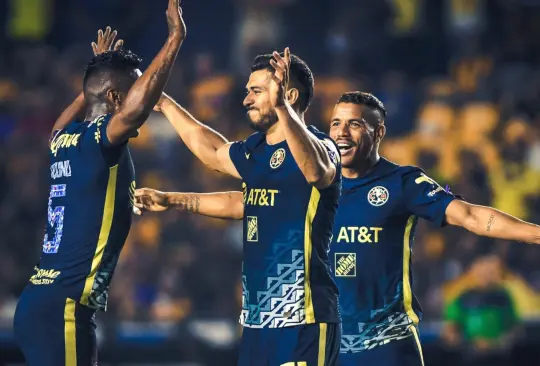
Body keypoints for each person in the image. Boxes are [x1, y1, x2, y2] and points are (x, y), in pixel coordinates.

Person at [136, 91, 540, 366]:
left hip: (386, 346)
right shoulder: (309, 177)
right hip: (326, 344)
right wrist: (174, 199)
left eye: (355, 124)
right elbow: (242, 202)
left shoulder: (400, 183)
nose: (342, 132)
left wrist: (536, 233)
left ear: (378, 132)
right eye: (335, 123)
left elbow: (471, 216)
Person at [137, 49, 342, 365]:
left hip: (304, 316)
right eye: (248, 91)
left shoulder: (322, 147)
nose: (246, 99)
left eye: (256, 91)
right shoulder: (256, 151)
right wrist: (162, 103)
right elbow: (218, 161)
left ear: (288, 94)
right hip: (257, 319)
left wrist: (281, 108)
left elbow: (315, 172)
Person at [13, 1, 186, 365]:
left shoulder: (62, 138)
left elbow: (67, 117)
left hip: (38, 300)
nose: (145, 99)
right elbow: (134, 109)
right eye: (135, 88)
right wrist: (174, 39)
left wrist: (99, 73)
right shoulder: (99, 141)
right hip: (66, 306)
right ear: (114, 98)